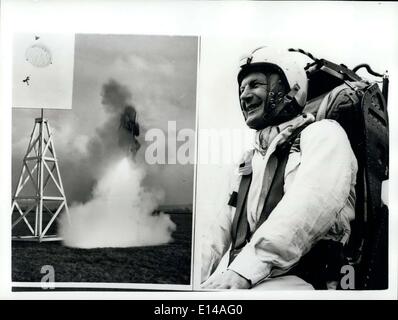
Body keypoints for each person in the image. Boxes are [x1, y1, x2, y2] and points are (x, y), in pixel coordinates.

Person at [201, 47, 358, 290]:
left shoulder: (324, 134)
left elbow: (310, 205)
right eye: (242, 89)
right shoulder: (246, 163)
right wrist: (186, 281)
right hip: (253, 277)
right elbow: (213, 232)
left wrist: (243, 271)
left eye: (255, 85)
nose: (245, 96)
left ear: (290, 89)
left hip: (311, 280)